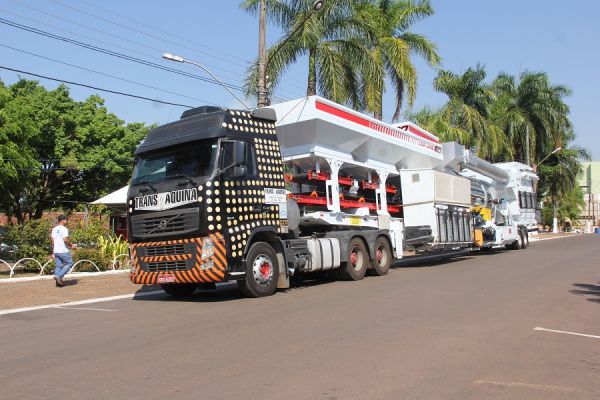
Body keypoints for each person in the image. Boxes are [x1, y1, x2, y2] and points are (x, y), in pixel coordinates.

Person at [50, 214, 76, 287]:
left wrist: (52, 251)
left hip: (56, 250)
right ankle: (59, 276)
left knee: (59, 265)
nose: (67, 221)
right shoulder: (64, 229)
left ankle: (58, 283)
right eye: (66, 219)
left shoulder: (54, 229)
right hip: (63, 250)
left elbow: (52, 240)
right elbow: (65, 239)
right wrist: (71, 246)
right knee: (70, 263)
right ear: (63, 220)